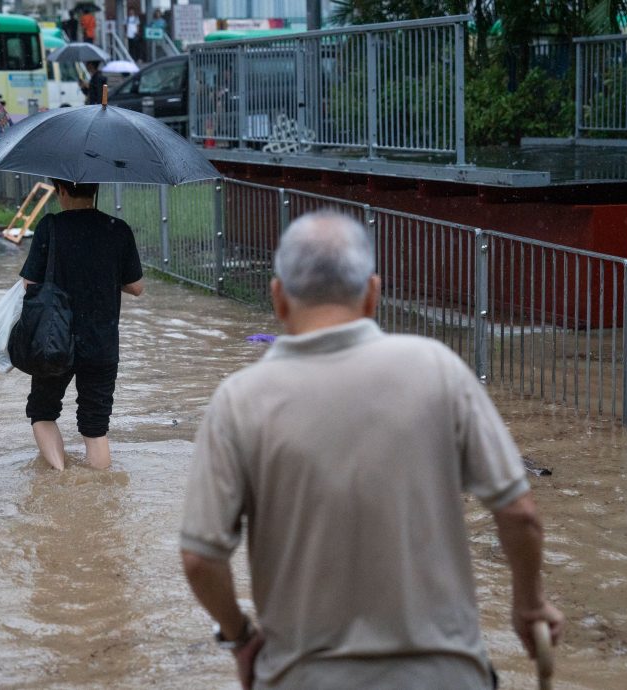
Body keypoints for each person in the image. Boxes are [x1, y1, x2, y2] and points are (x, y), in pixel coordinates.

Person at [179, 212, 564, 689]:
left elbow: (200, 559)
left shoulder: (238, 401)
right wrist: (529, 603)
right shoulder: (437, 370)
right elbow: (520, 514)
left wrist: (241, 638)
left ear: (278, 298)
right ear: (373, 293)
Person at [18, 179, 144, 470]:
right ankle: (100, 493)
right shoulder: (118, 229)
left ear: (61, 190)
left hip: (54, 341)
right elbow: (136, 286)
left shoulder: (50, 227)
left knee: (42, 412)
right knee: (95, 426)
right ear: (95, 189)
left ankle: (61, 477)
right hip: (102, 344)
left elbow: (30, 283)